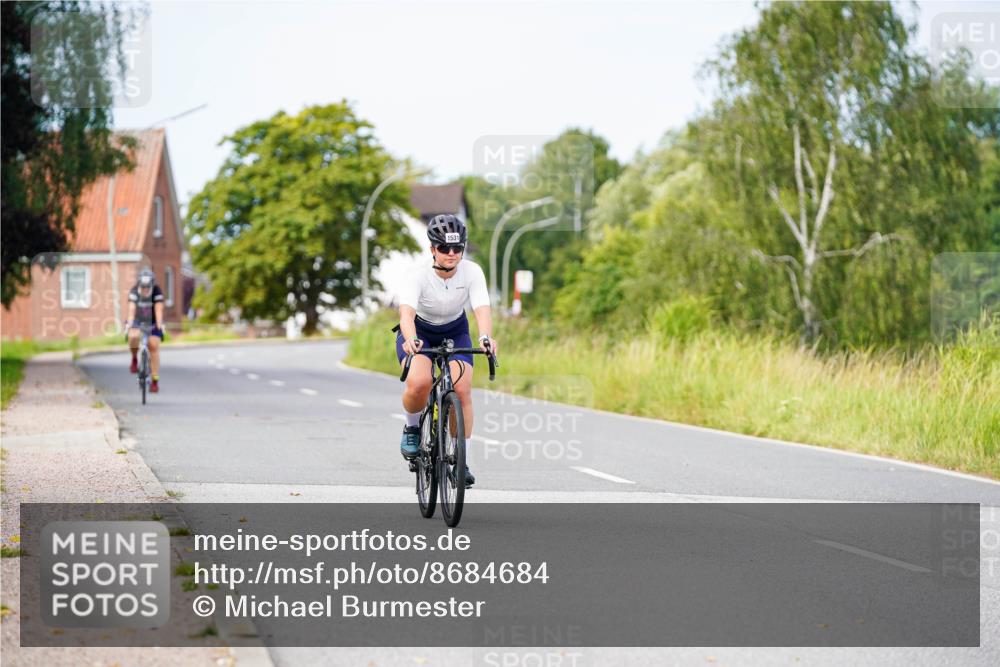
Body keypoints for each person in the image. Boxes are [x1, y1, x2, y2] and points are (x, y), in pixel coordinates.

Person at [396, 214, 498, 487]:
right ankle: (413, 427)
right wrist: (411, 339)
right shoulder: (416, 276)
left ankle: (460, 461)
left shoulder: (472, 271)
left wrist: (486, 337)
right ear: (432, 249)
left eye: (457, 248)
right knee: (420, 381)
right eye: (444, 248)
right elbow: (406, 315)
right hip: (420, 333)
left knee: (462, 389)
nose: (452, 254)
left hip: (455, 331)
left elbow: (481, 309)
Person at [126, 268, 165, 392]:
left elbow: (159, 310)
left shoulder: (157, 292)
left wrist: (159, 325)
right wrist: (130, 323)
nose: (145, 289)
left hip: (152, 321)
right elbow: (131, 310)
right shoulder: (134, 291)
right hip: (138, 320)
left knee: (153, 346)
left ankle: (154, 380)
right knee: (133, 336)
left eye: (148, 287)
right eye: (143, 287)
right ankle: (134, 358)